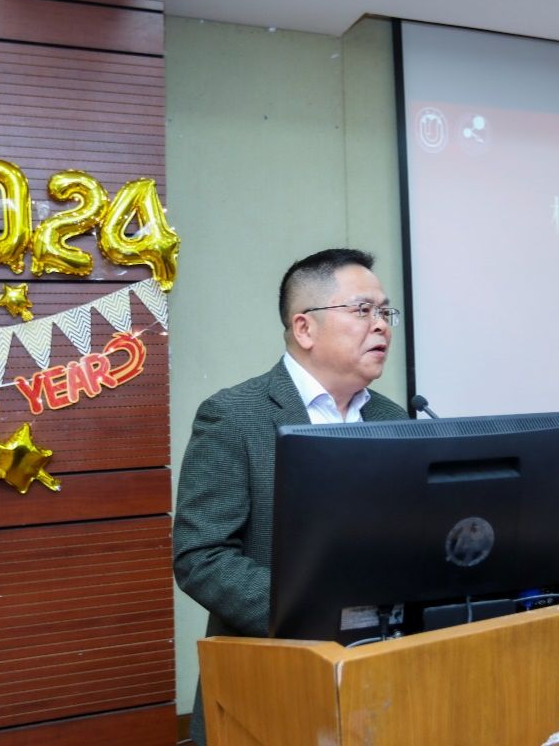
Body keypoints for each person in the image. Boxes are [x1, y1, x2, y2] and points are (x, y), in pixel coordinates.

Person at [173, 248, 408, 745]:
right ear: (304, 328)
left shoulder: (394, 419)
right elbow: (201, 557)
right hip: (271, 681)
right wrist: (313, 613)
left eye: (386, 312)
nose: (381, 326)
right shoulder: (234, 416)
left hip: (384, 678)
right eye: (362, 310)